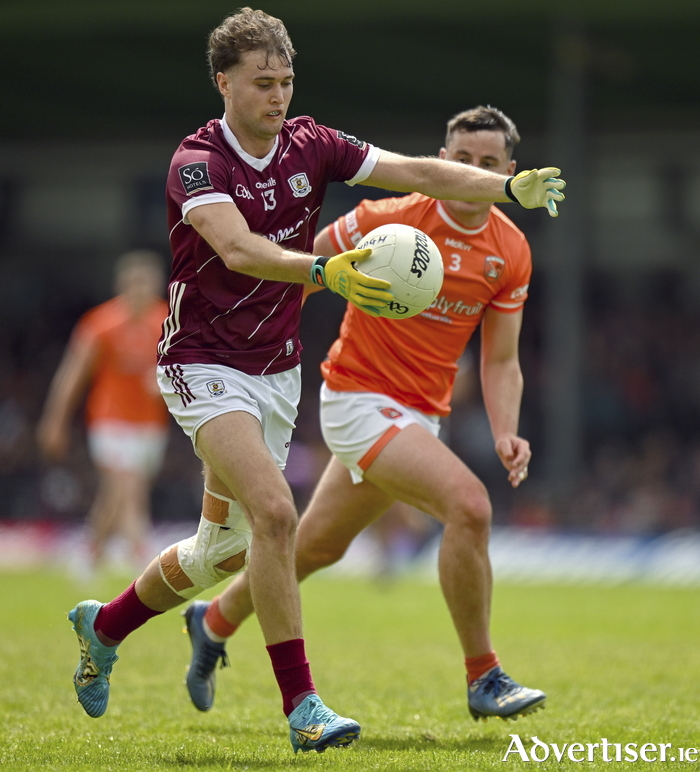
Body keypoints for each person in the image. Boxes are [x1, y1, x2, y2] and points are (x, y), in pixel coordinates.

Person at [66, 7, 564, 755]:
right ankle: (304, 706)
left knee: (223, 551)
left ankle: (104, 626)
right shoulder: (197, 162)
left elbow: (419, 168)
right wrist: (326, 271)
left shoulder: (316, 144)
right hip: (203, 363)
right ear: (223, 81)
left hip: (274, 371)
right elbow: (236, 249)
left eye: (287, 80)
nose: (278, 95)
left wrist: (510, 189)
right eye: (262, 82)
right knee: (276, 513)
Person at [182, 105, 547, 724]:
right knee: (470, 505)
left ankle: (211, 620)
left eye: (489, 165)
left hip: (418, 416)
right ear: (441, 161)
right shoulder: (390, 218)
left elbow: (501, 359)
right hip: (356, 400)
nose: (473, 172)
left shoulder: (510, 249)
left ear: (508, 172)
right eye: (461, 160)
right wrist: (233, 345)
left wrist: (506, 429)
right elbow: (296, 275)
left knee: (313, 548)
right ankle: (484, 676)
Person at [37, 249, 169, 574]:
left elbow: (183, 368)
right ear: (120, 284)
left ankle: (88, 553)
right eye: (132, 282)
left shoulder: (167, 321)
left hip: (151, 424)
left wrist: (165, 384)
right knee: (129, 487)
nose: (138, 289)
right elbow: (73, 374)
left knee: (116, 494)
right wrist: (54, 421)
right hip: (109, 420)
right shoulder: (101, 323)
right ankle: (144, 559)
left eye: (145, 282)